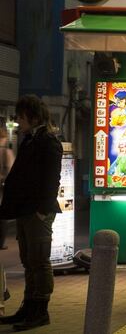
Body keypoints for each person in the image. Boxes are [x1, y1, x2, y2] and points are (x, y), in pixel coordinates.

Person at [0, 96, 63, 330]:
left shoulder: (48, 142)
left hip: (37, 211)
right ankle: (28, 308)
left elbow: (51, 180)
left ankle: (40, 311)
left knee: (39, 261)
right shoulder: (29, 140)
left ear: (33, 117)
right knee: (28, 261)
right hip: (26, 210)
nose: (18, 120)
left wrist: (41, 210)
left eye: (21, 116)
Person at [0, 126, 15, 249]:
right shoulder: (6, 152)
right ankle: (0, 242)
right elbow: (11, 171)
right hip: (2, 187)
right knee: (2, 216)